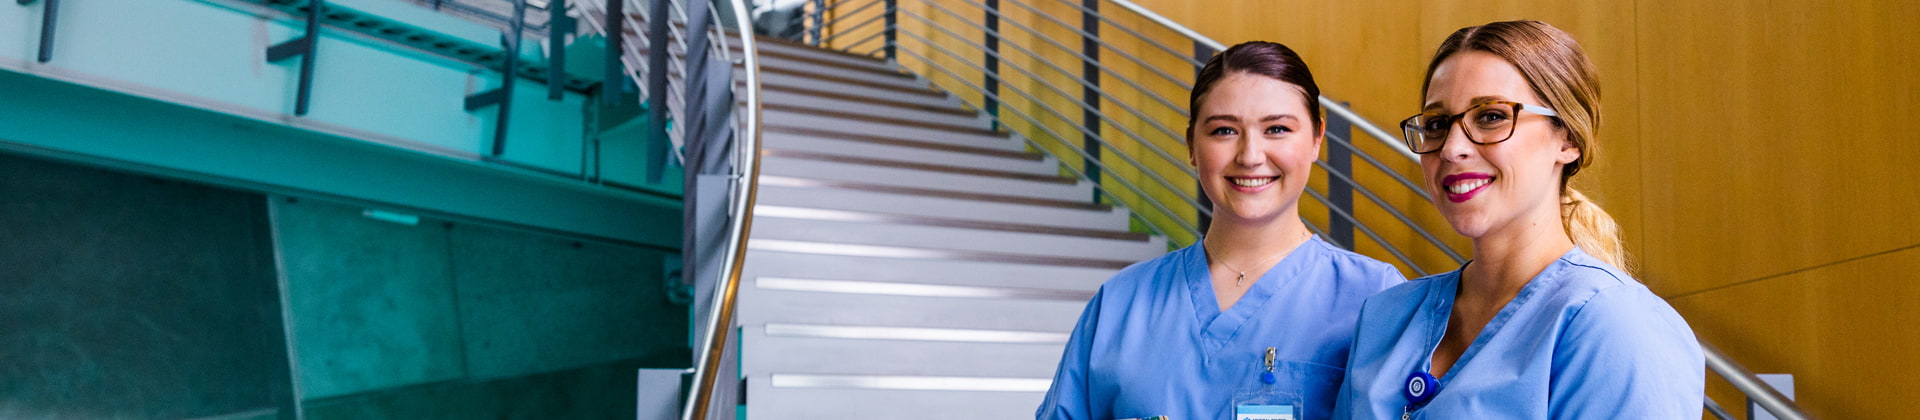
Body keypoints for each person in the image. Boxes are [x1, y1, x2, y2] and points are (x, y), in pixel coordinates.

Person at [1334, 20, 1703, 419]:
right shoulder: (1385, 318)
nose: (1453, 148)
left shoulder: (1617, 326)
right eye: (1438, 124)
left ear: (1568, 139)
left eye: (1491, 116)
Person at [1037, 41, 1404, 420]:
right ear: (1192, 145)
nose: (1250, 156)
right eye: (1225, 130)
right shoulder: (1120, 304)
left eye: (1277, 128)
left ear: (1316, 139)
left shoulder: (1375, 298)